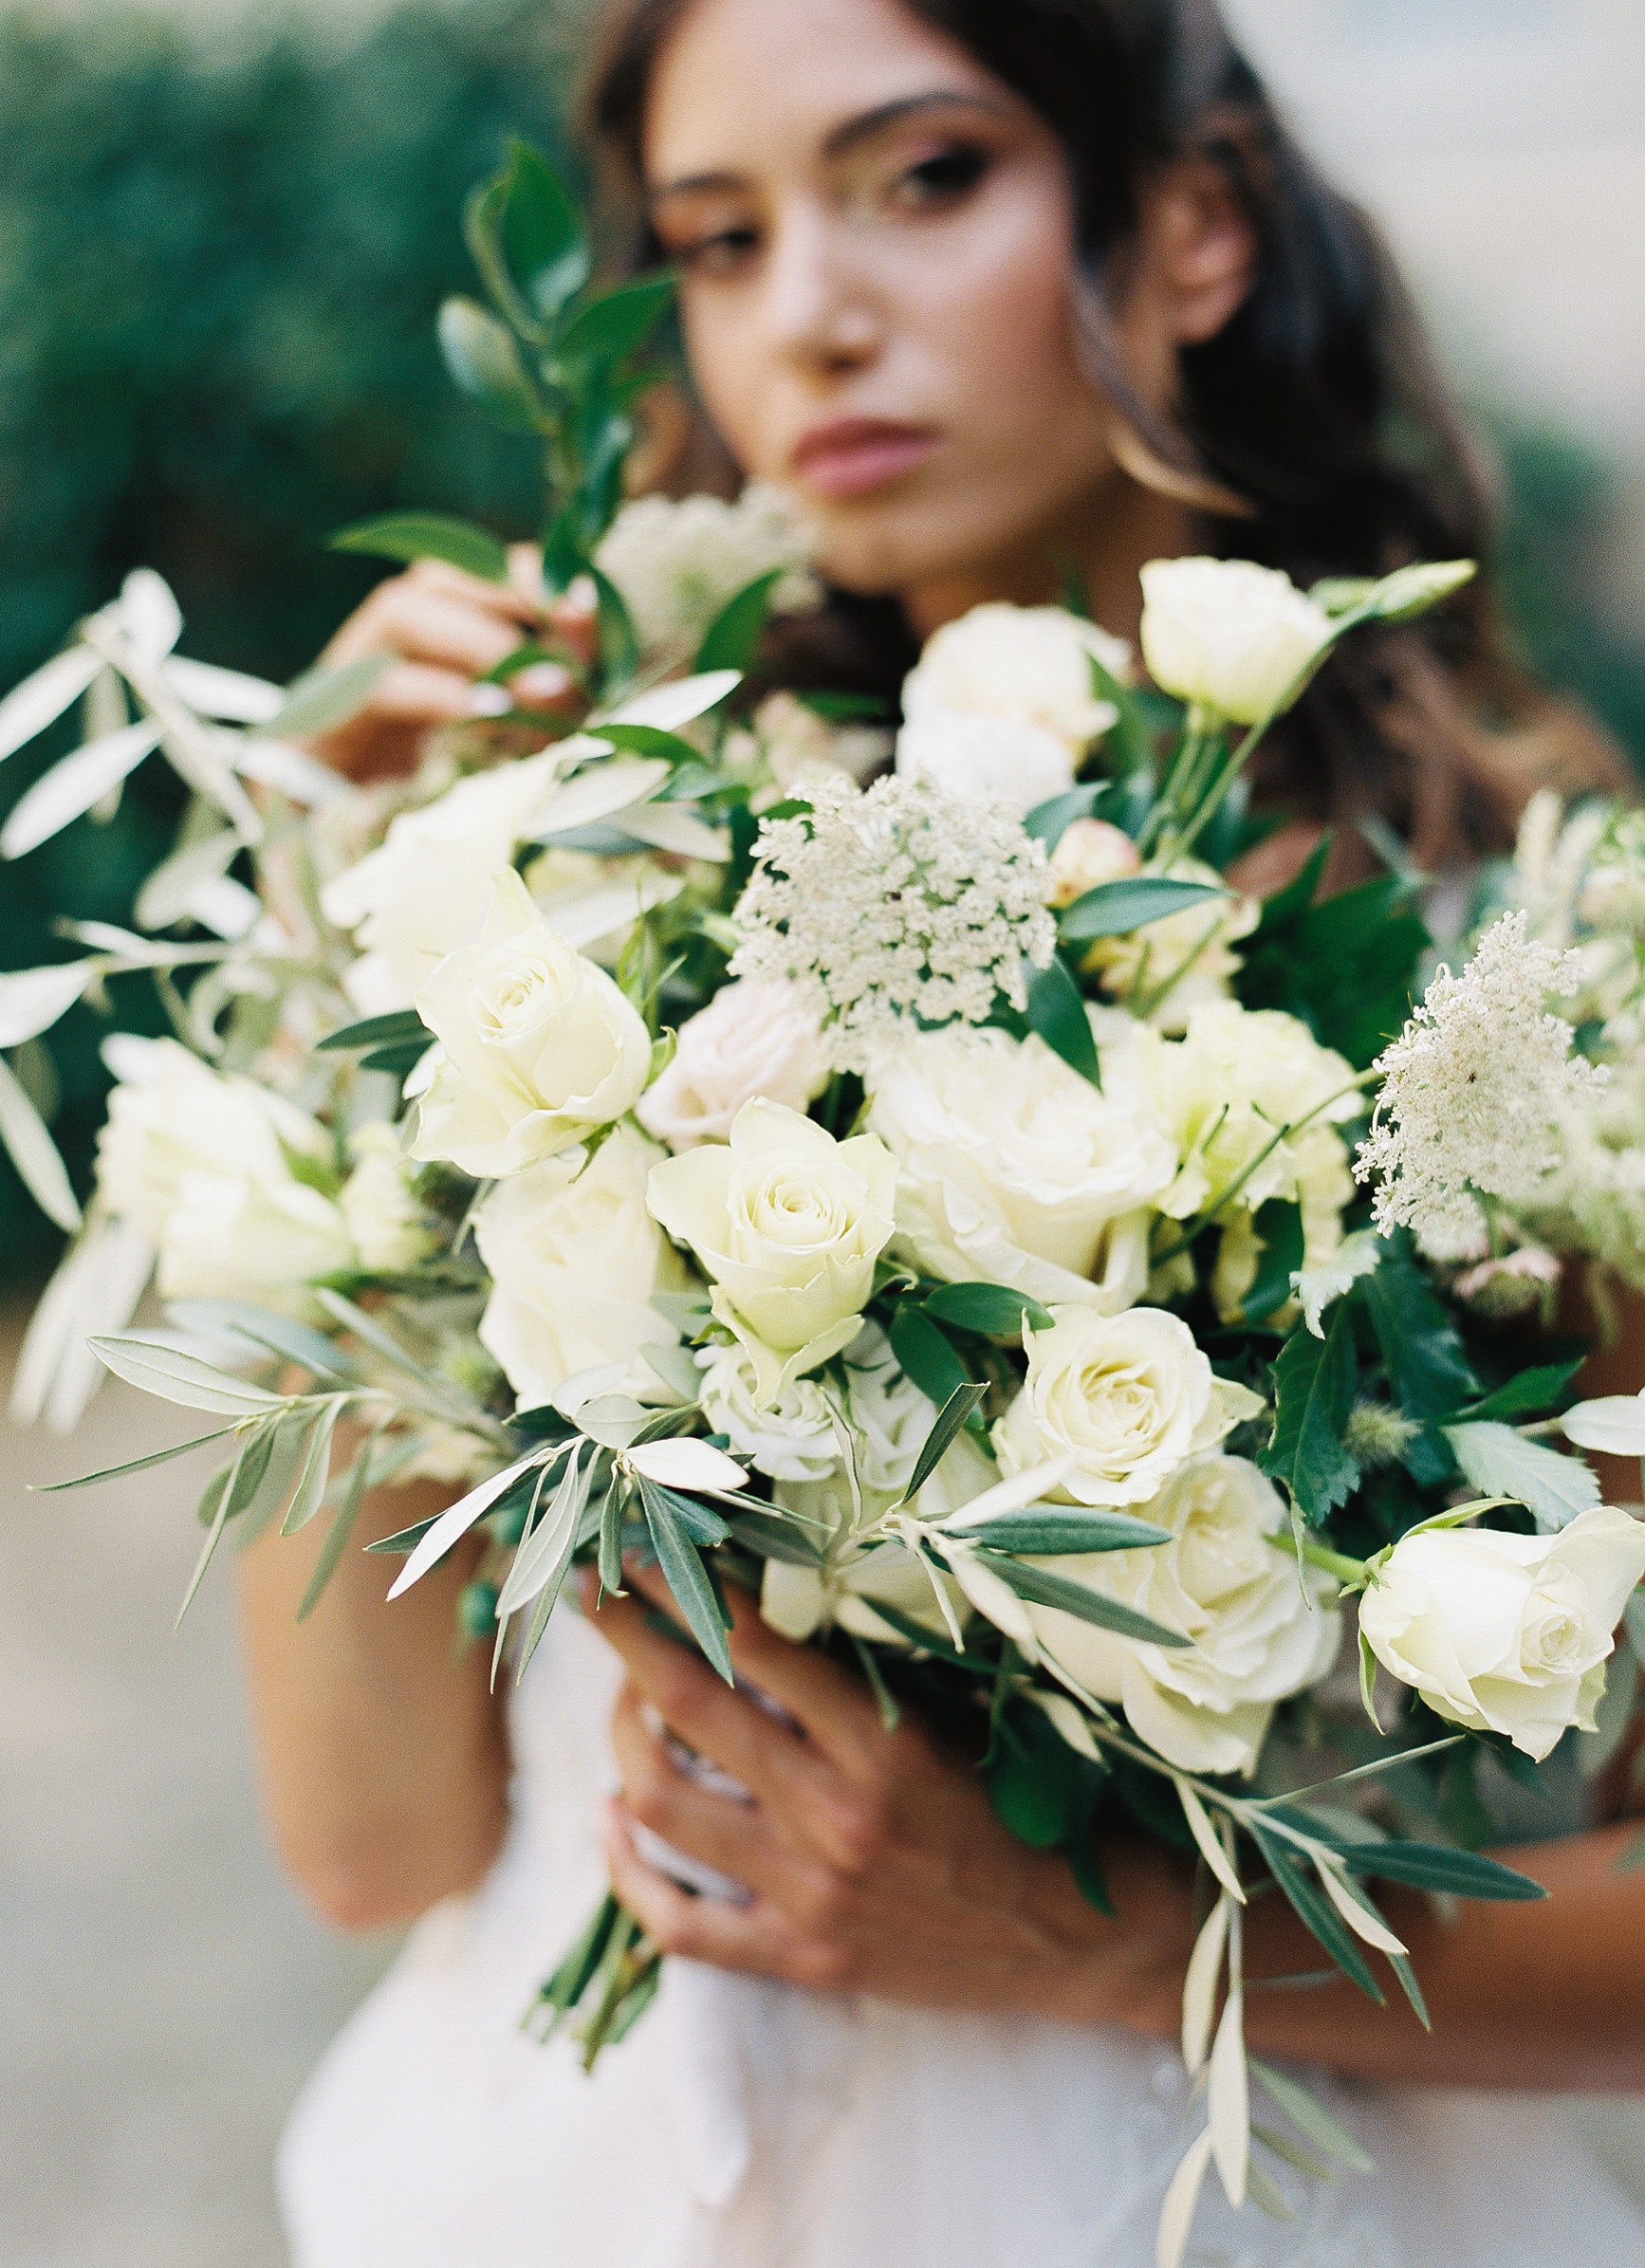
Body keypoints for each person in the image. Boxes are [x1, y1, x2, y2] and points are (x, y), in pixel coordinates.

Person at [242, 2, 1645, 2261]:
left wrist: (1106, 1934)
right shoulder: (605, 903)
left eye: (923, 178)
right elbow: (372, 1838)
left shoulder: (1529, 990)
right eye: (719, 236)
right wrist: (333, 973)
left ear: (1188, 227)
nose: (808, 312)